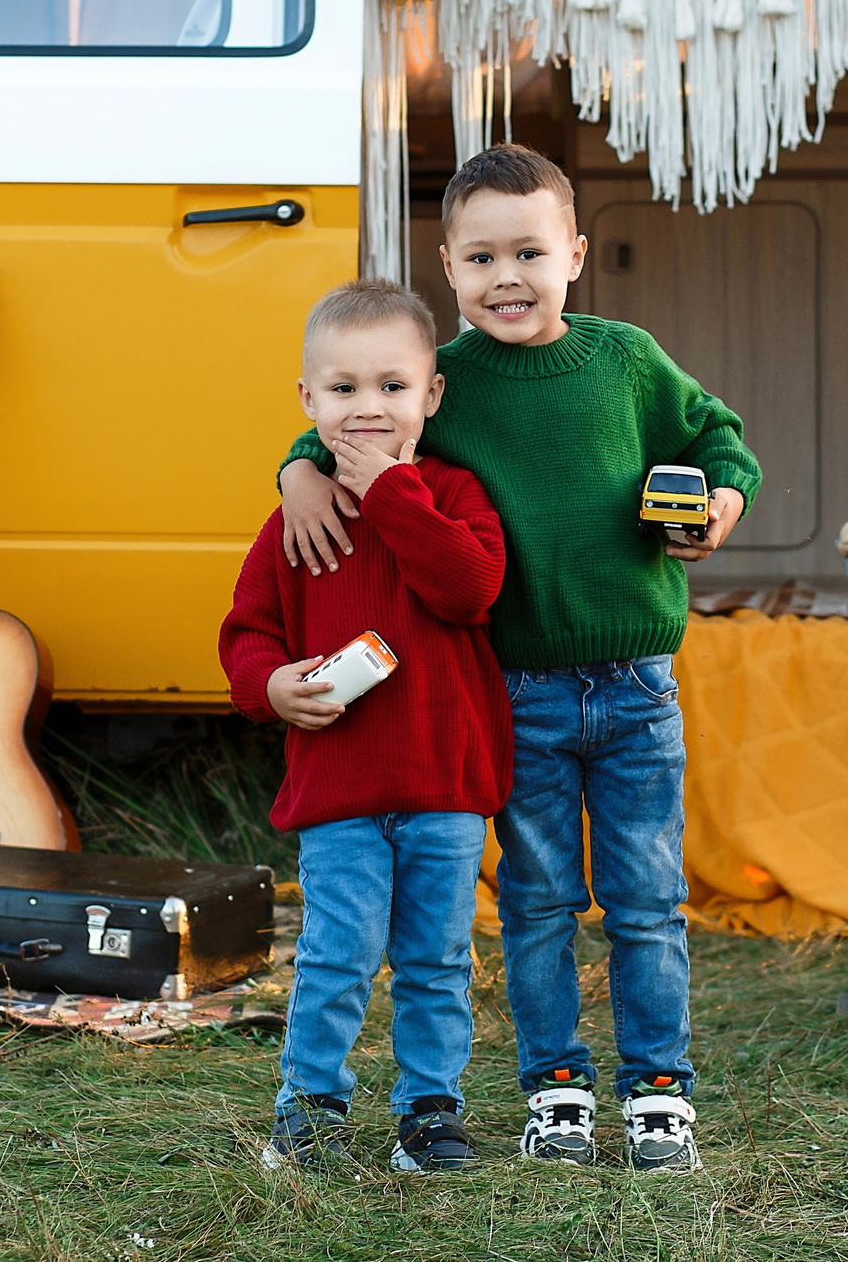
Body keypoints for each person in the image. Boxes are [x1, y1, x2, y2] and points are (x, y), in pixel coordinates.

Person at [276, 143, 760, 1174]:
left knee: (643, 896)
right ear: (448, 267)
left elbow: (720, 436)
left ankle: (659, 1088)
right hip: (518, 693)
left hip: (635, 685)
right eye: (483, 258)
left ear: (573, 255)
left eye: (530, 253)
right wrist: (297, 473)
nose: (509, 278)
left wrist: (718, 503)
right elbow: (357, 421)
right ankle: (555, 1087)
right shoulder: (445, 382)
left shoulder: (624, 359)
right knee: (537, 902)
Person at [220, 277, 512, 1176]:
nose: (368, 408)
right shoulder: (295, 518)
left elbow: (467, 589)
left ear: (432, 393)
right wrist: (273, 685)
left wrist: (391, 492)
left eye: (392, 386)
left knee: (434, 960)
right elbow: (247, 633)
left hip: (442, 780)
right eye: (343, 389)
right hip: (340, 786)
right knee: (336, 954)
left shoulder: (456, 495)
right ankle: (308, 1109)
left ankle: (431, 1110)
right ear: (308, 402)